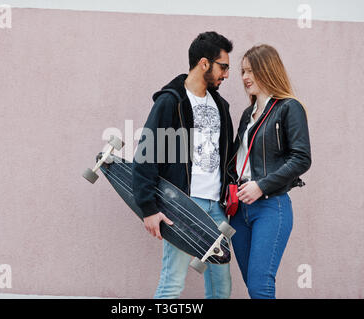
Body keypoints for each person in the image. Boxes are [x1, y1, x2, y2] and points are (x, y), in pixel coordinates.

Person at [132, 31, 235, 299]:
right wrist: (148, 209)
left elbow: (229, 158)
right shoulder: (171, 102)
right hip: (183, 206)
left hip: (216, 208)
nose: (226, 75)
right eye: (223, 67)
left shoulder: (221, 106)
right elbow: (146, 155)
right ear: (204, 63)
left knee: (221, 288)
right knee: (173, 284)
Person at [228, 44, 311, 299]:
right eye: (243, 71)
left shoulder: (288, 108)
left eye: (251, 71)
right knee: (253, 285)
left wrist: (261, 185)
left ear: (268, 70)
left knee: (260, 286)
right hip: (240, 210)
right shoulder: (247, 114)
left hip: (270, 206)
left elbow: (301, 158)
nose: (244, 77)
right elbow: (237, 160)